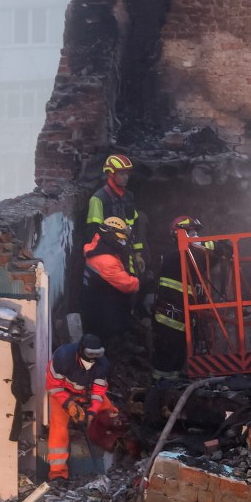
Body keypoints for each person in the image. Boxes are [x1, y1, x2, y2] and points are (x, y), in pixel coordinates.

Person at [44, 335, 118, 482]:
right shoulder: (62, 358)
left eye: (97, 355)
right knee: (58, 427)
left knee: (111, 412)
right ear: (81, 350)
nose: (92, 359)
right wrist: (69, 404)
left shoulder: (102, 365)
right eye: (90, 354)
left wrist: (91, 413)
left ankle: (118, 449)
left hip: (85, 392)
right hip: (62, 393)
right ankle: (58, 473)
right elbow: (53, 387)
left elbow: (98, 393)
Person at [151, 215, 208, 379]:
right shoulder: (174, 256)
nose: (196, 236)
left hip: (182, 318)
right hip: (169, 318)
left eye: (196, 232)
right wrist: (215, 246)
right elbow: (197, 255)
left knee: (178, 358)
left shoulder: (188, 255)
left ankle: (173, 386)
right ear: (179, 234)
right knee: (166, 357)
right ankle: (159, 386)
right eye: (192, 232)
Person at [82, 217, 140, 346]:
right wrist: (139, 280)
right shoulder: (106, 260)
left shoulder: (97, 248)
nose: (122, 242)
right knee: (110, 340)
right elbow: (128, 285)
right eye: (119, 239)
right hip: (105, 313)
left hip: (95, 304)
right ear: (110, 237)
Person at [87, 154, 146, 274]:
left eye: (127, 174)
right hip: (109, 256)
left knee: (134, 279)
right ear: (110, 174)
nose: (126, 177)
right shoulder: (98, 199)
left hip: (127, 253)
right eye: (122, 174)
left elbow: (135, 226)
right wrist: (118, 245)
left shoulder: (128, 196)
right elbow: (94, 231)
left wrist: (138, 253)